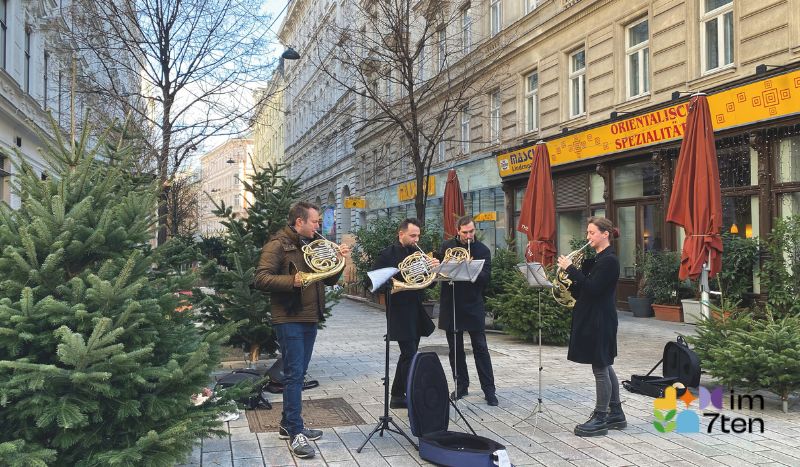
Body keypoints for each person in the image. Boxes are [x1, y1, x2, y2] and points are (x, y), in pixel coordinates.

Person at [254, 202, 350, 459]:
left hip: (309, 316)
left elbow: (328, 279)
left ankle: (288, 424)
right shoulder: (277, 244)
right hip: (289, 317)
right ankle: (296, 431)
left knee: (300, 373)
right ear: (299, 222)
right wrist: (292, 280)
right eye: (315, 221)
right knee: (295, 375)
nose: (319, 226)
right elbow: (260, 278)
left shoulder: (310, 245)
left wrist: (340, 261)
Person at [556, 216, 626, 437]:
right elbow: (583, 290)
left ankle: (601, 416)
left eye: (591, 233)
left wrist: (572, 270)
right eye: (587, 233)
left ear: (605, 234)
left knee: (600, 367)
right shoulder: (597, 259)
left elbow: (595, 289)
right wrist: (570, 278)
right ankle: (616, 413)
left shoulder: (610, 261)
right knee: (604, 363)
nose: (588, 237)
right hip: (593, 316)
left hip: (601, 319)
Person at [373, 218, 439, 409]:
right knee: (410, 355)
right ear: (401, 234)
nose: (416, 239)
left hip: (416, 307)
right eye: (412, 235)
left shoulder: (418, 254)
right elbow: (374, 282)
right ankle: (413, 394)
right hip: (398, 309)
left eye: (418, 235)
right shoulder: (387, 255)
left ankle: (397, 395)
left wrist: (433, 269)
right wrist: (397, 279)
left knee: (407, 354)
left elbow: (429, 283)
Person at [437, 216, 497, 406]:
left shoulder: (482, 250)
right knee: (455, 350)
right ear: (458, 231)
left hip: (473, 304)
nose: (469, 236)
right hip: (452, 304)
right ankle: (461, 386)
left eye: (472, 231)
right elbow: (438, 271)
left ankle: (489, 390)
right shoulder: (447, 247)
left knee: (481, 348)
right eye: (465, 232)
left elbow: (487, 277)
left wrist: (471, 269)